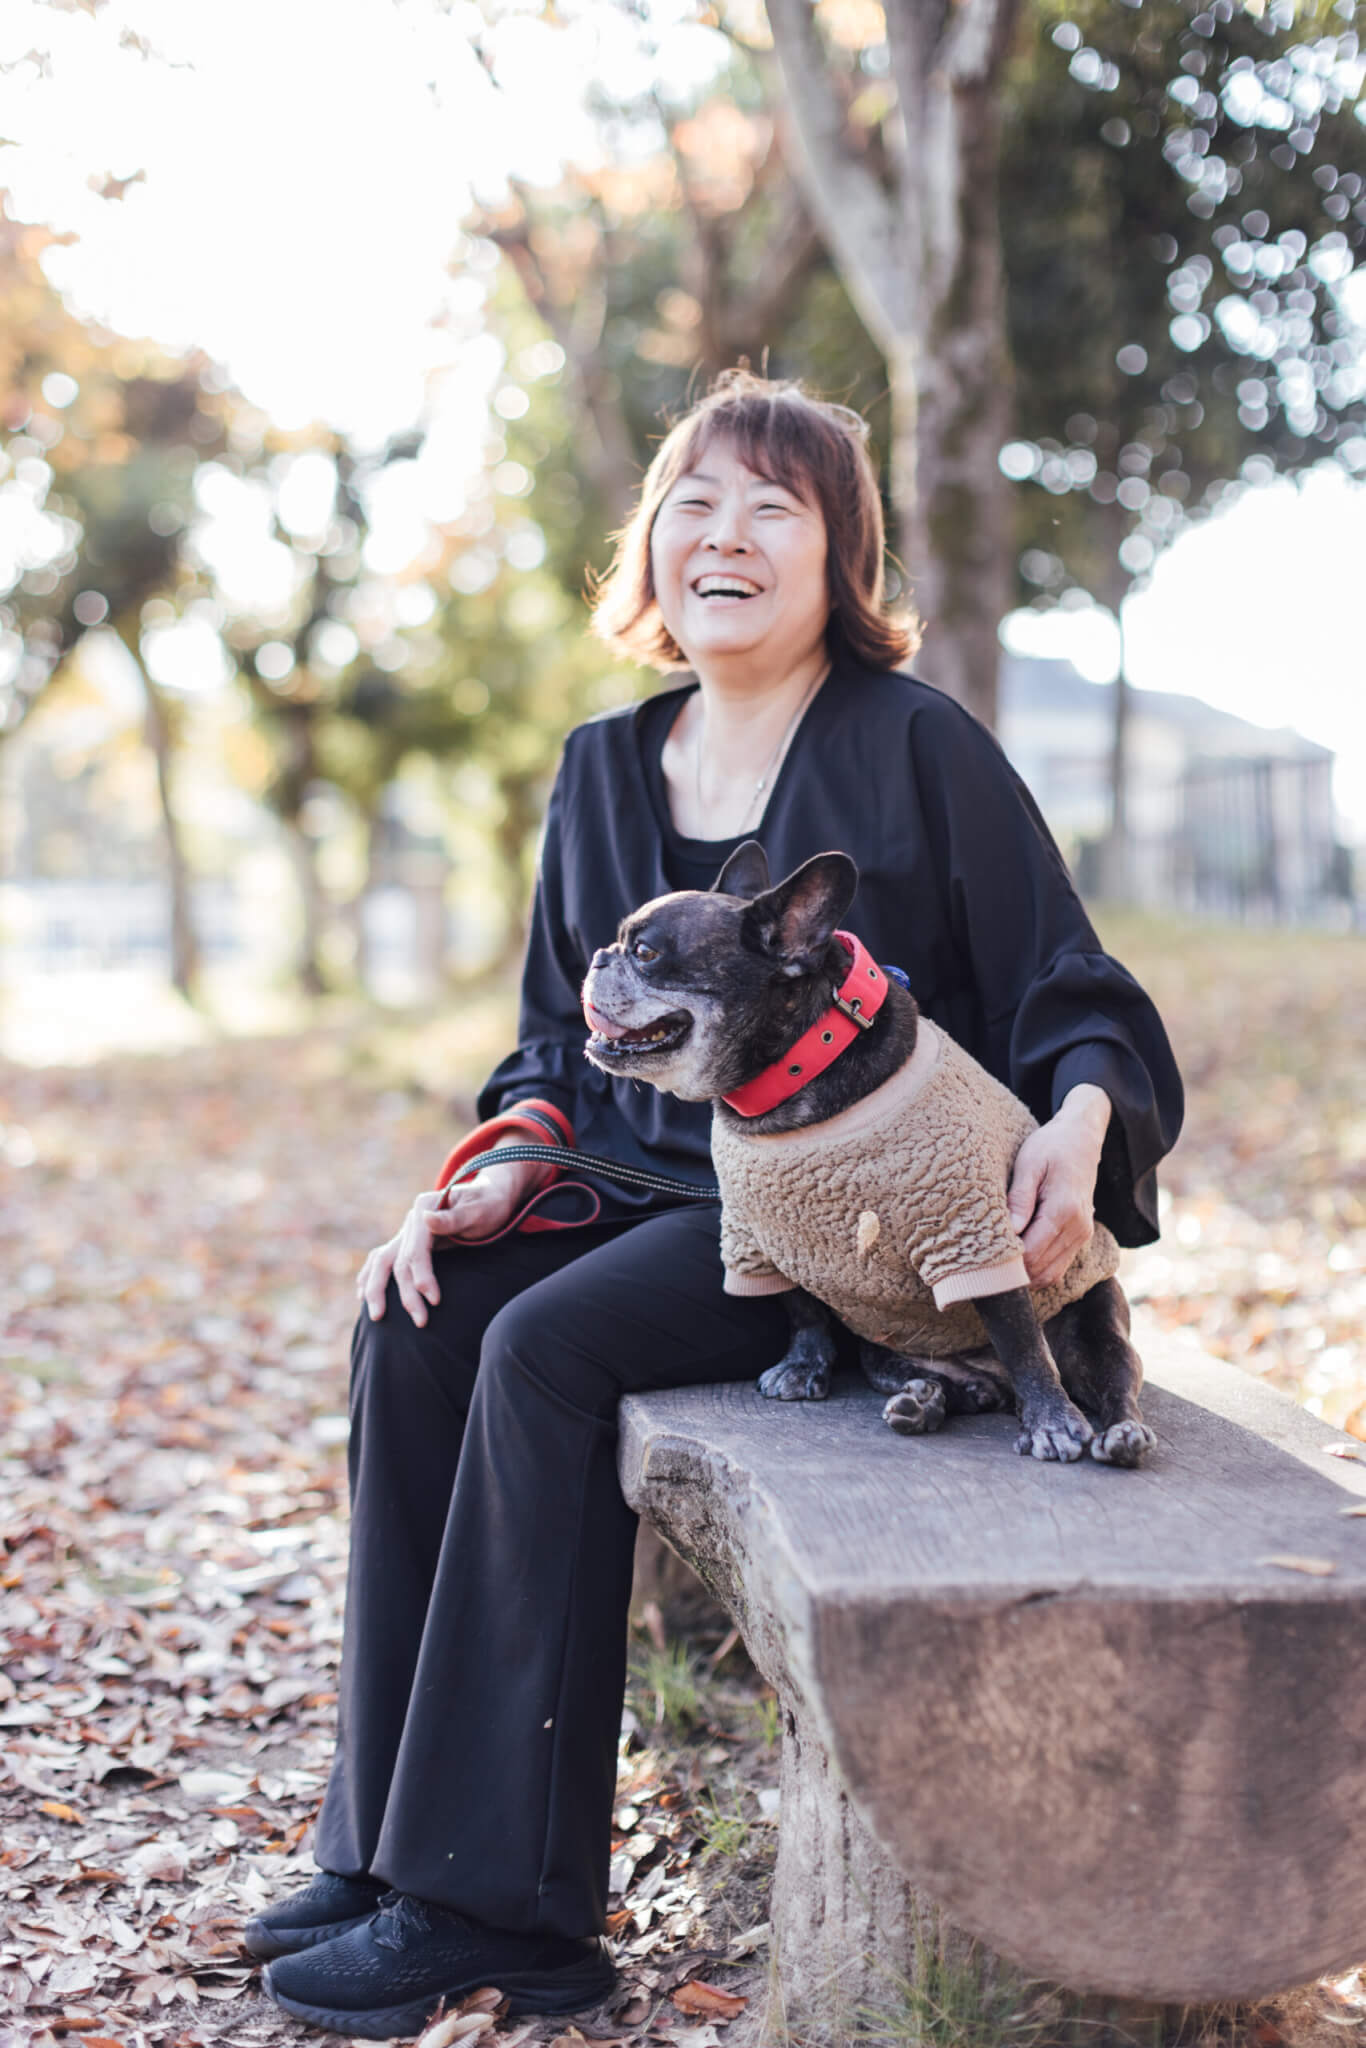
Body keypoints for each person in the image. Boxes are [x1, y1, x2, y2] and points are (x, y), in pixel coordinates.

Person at [250, 369, 1183, 2038]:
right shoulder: (603, 765)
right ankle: (383, 1839)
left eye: (776, 505)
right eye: (695, 499)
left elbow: (1065, 976)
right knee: (418, 1320)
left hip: (834, 1214)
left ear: (840, 557)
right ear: (653, 545)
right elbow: (551, 1026)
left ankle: (501, 1908)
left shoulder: (914, 744)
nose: (726, 532)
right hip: (624, 1168)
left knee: (542, 1348)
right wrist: (496, 1165)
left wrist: (1082, 1116)